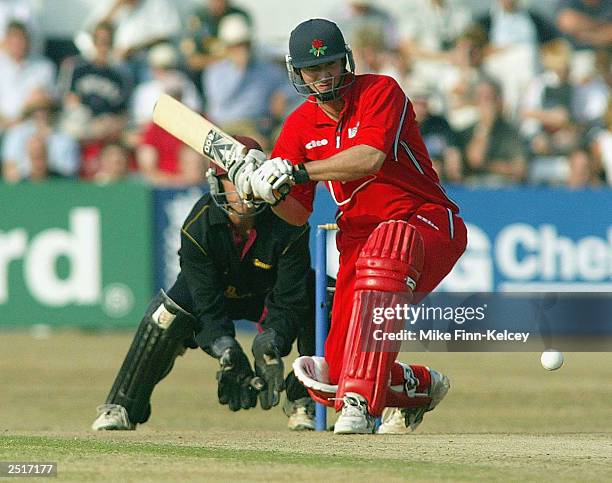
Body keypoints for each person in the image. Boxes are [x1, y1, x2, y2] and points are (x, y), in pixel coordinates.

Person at [228, 19, 467, 435]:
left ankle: (358, 404)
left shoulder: (380, 91)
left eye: (331, 65)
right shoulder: (300, 124)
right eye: (312, 70)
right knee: (330, 376)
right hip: (358, 239)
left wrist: (296, 172)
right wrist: (264, 194)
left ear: (346, 62)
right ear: (297, 73)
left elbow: (369, 158)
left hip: (423, 220)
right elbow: (298, 213)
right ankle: (419, 387)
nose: (323, 76)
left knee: (388, 249)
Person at [91, 136, 316, 432]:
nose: (245, 192)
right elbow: (205, 301)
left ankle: (303, 400)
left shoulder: (289, 222)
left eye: (250, 180)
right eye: (234, 180)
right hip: (217, 292)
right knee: (167, 312)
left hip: (269, 292)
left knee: (324, 297)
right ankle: (122, 406)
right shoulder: (198, 226)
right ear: (217, 183)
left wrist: (272, 342)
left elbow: (289, 299)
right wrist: (226, 350)